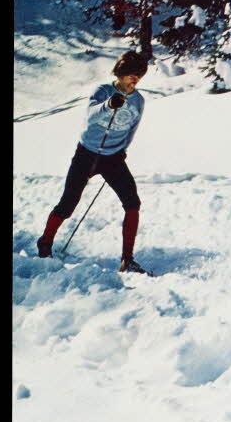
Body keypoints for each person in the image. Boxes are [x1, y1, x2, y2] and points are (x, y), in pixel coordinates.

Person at [36, 50, 151, 275]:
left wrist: (123, 150)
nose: (134, 78)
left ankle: (127, 260)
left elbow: (132, 128)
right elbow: (90, 116)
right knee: (68, 204)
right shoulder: (103, 91)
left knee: (132, 203)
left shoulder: (139, 100)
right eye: (130, 73)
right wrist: (108, 105)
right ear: (120, 73)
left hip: (114, 158)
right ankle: (45, 242)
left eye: (139, 74)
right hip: (87, 154)